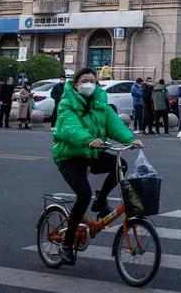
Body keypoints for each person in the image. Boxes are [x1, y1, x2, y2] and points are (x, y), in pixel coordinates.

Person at [52, 67, 140, 266]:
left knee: (121, 164)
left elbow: (114, 125)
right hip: (69, 156)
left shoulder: (101, 104)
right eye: (84, 80)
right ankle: (67, 245)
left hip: (91, 152)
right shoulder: (67, 104)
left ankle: (100, 201)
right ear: (75, 84)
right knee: (83, 194)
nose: (88, 84)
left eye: (92, 80)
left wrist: (131, 139)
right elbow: (69, 128)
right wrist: (88, 139)